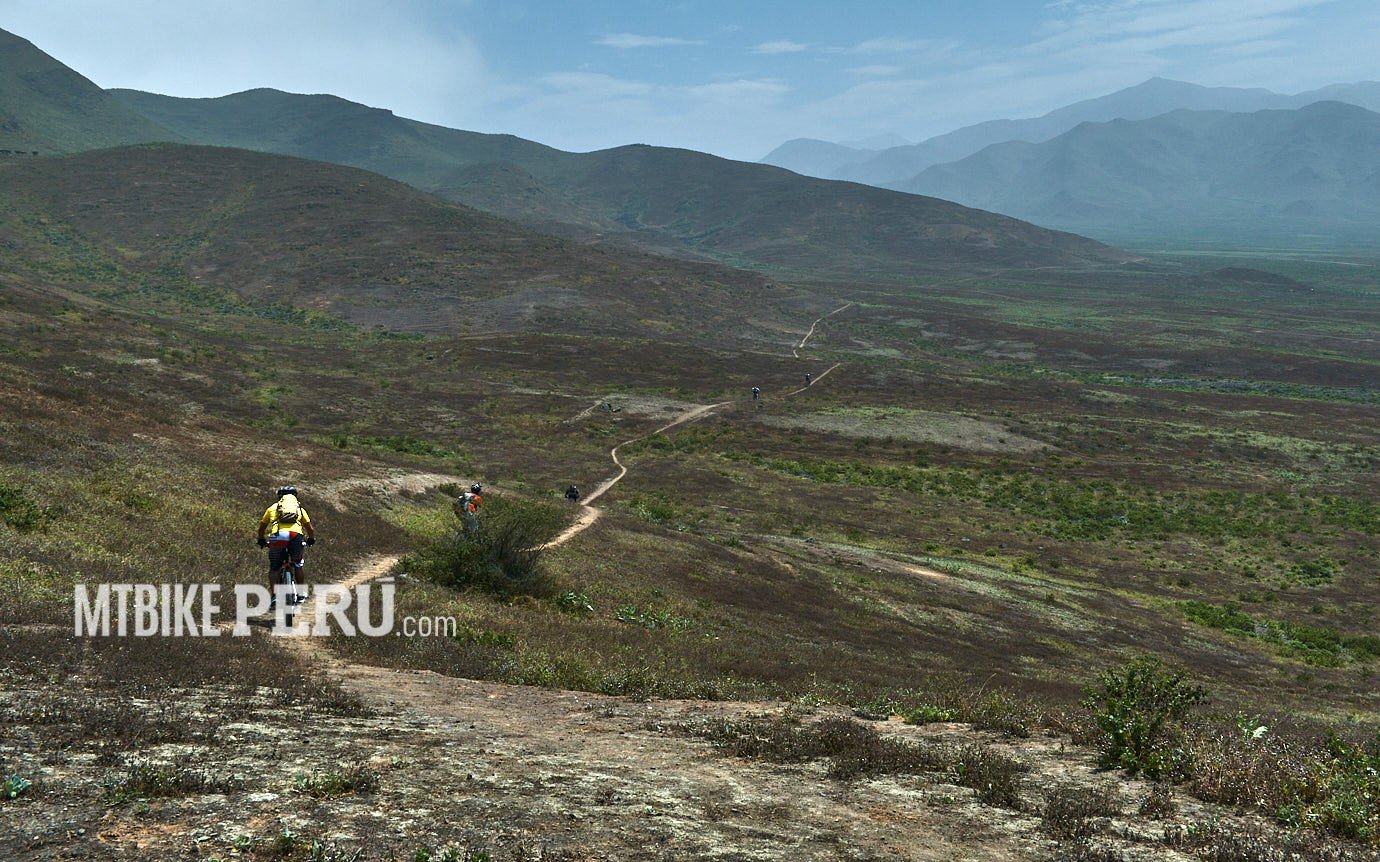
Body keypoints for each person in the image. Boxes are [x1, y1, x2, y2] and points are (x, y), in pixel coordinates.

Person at [256, 485, 315, 609]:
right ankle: (301, 594)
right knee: (298, 564)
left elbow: (261, 528)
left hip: (278, 536)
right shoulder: (299, 509)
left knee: (274, 568)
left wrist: (261, 540)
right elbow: (310, 528)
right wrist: (311, 539)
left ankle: (274, 596)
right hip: (295, 536)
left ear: (279, 497)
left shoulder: (272, 508)